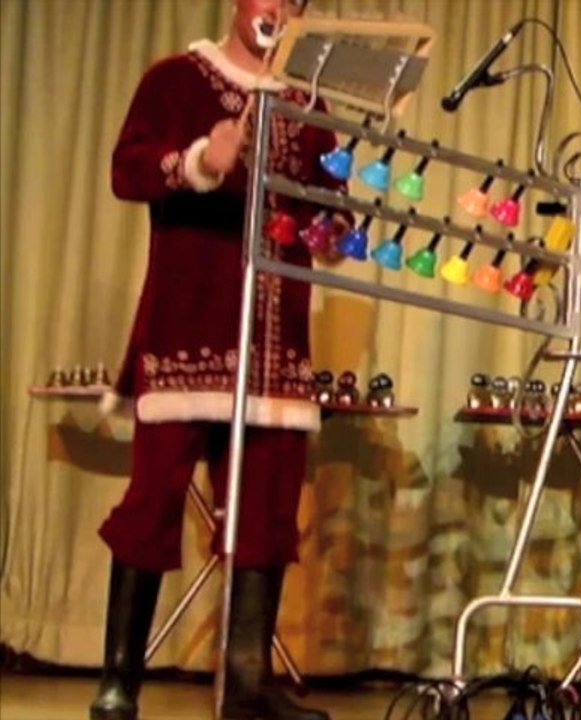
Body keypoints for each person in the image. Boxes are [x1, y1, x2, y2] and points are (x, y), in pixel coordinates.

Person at [92, 0, 343, 718]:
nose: (280, 8)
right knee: (152, 501)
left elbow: (332, 199)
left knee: (266, 507)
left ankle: (247, 682)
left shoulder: (311, 103)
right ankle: (119, 684)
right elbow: (128, 168)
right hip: (186, 333)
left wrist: (333, 227)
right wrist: (201, 160)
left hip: (276, 349)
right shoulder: (178, 79)